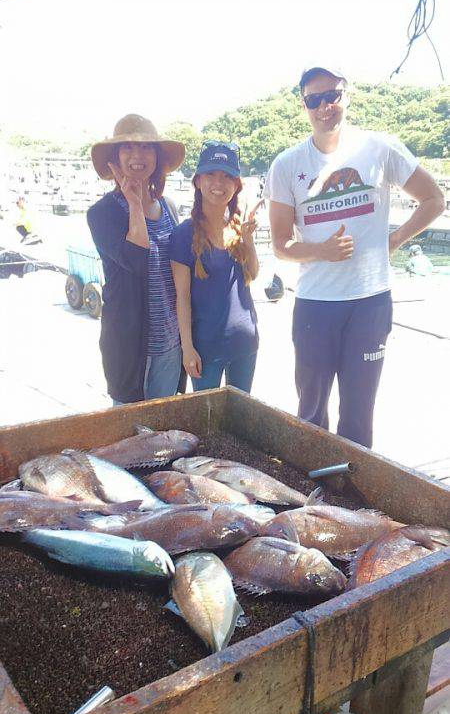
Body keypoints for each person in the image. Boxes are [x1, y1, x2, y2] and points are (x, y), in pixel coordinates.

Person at [264, 64, 445, 448]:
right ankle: (313, 494)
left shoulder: (379, 148)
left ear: (347, 95)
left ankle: (352, 501)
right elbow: (280, 244)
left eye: (332, 95)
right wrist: (321, 251)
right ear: (304, 105)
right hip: (315, 305)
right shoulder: (286, 165)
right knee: (311, 412)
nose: (324, 106)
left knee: (358, 414)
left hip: (369, 303)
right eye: (314, 99)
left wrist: (395, 239)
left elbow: (434, 200)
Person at [87, 114, 185, 405]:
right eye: (127, 148)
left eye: (146, 148)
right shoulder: (102, 213)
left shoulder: (168, 207)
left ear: (156, 156)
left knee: (164, 433)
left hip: (169, 343)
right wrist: (134, 203)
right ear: (115, 157)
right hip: (129, 346)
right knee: (132, 435)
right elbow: (136, 259)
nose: (137, 156)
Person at [169, 141, 260, 393]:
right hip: (205, 349)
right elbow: (182, 298)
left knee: (241, 423)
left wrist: (248, 240)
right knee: (206, 424)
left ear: (237, 185)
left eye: (227, 176)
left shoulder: (238, 227)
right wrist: (187, 347)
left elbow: (252, 273)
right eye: (210, 174)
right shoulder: (182, 234)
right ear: (198, 181)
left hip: (245, 343)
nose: (218, 184)